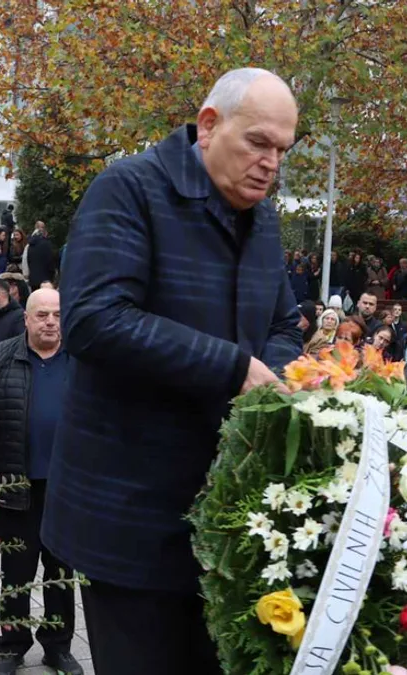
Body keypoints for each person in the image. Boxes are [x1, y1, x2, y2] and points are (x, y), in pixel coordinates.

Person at [44, 68, 303, 674]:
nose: (271, 164)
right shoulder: (128, 188)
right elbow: (94, 320)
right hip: (132, 519)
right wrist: (234, 368)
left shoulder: (262, 219)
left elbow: (285, 324)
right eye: (259, 143)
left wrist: (277, 380)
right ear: (209, 125)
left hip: (232, 519)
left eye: (282, 151)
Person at [0, 288, 82, 675]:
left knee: (61, 573)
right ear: (27, 319)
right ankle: (12, 646)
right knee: (16, 571)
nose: (50, 321)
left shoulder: (81, 361)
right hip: (16, 487)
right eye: (42, 315)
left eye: (57, 315)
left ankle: (58, 645)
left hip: (66, 490)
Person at [25, 221, 56, 291]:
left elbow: (28, 261)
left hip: (33, 278)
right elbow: (50, 261)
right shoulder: (47, 244)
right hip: (45, 279)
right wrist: (52, 277)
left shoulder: (30, 245)